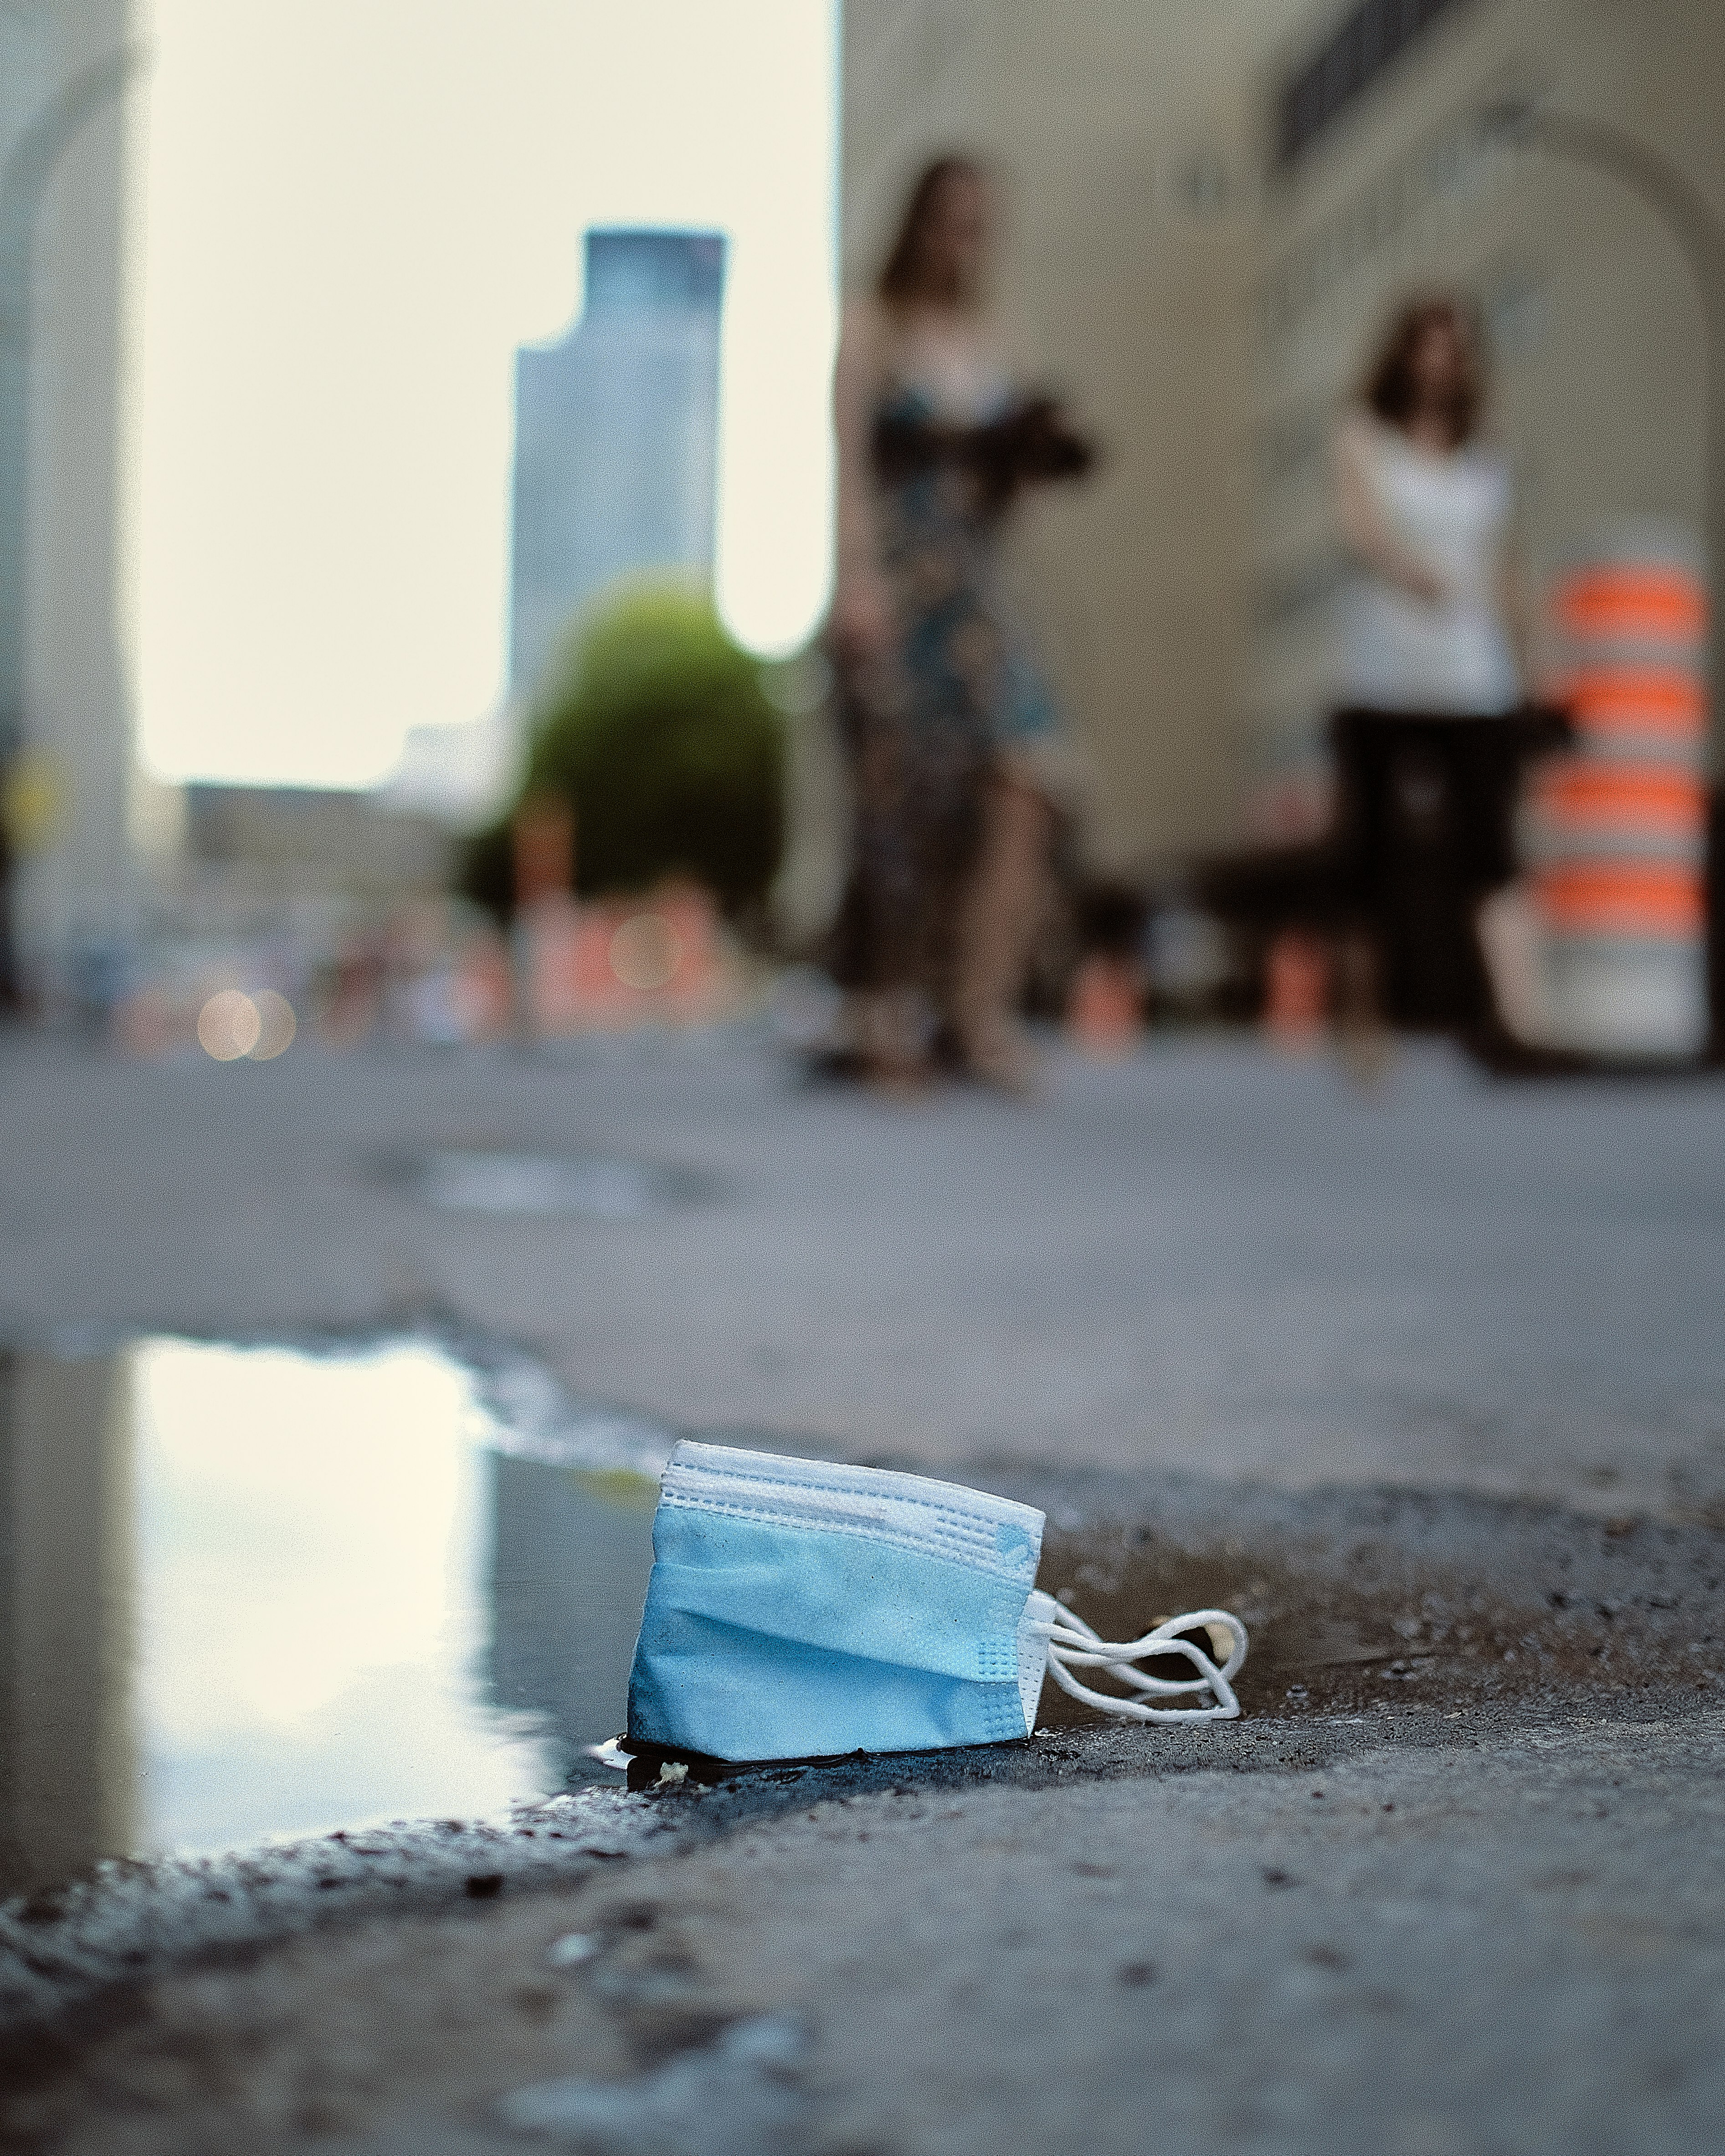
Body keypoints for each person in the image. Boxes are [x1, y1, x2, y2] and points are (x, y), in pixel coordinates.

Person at [827, 155, 1092, 1090]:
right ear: (918, 222)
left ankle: (979, 1011)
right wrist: (858, 582)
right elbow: (851, 468)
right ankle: (886, 1013)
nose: (964, 238)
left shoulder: (994, 341)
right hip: (901, 583)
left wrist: (1030, 457)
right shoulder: (873, 326)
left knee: (1027, 785)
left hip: (979, 589)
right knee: (901, 801)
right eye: (950, 219)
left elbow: (997, 503)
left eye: (980, 222)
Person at [1327, 297, 1563, 1034]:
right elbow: (1357, 526)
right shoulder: (1363, 437)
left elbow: (1504, 570)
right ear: (1400, 354)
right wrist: (1407, 569)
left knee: (1491, 846)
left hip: (1471, 678)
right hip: (1382, 674)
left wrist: (1531, 663)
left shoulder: (1485, 453)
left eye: (1453, 347)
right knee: (1368, 853)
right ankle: (1361, 1014)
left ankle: (1524, 1017)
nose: (1439, 361)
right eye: (1426, 346)